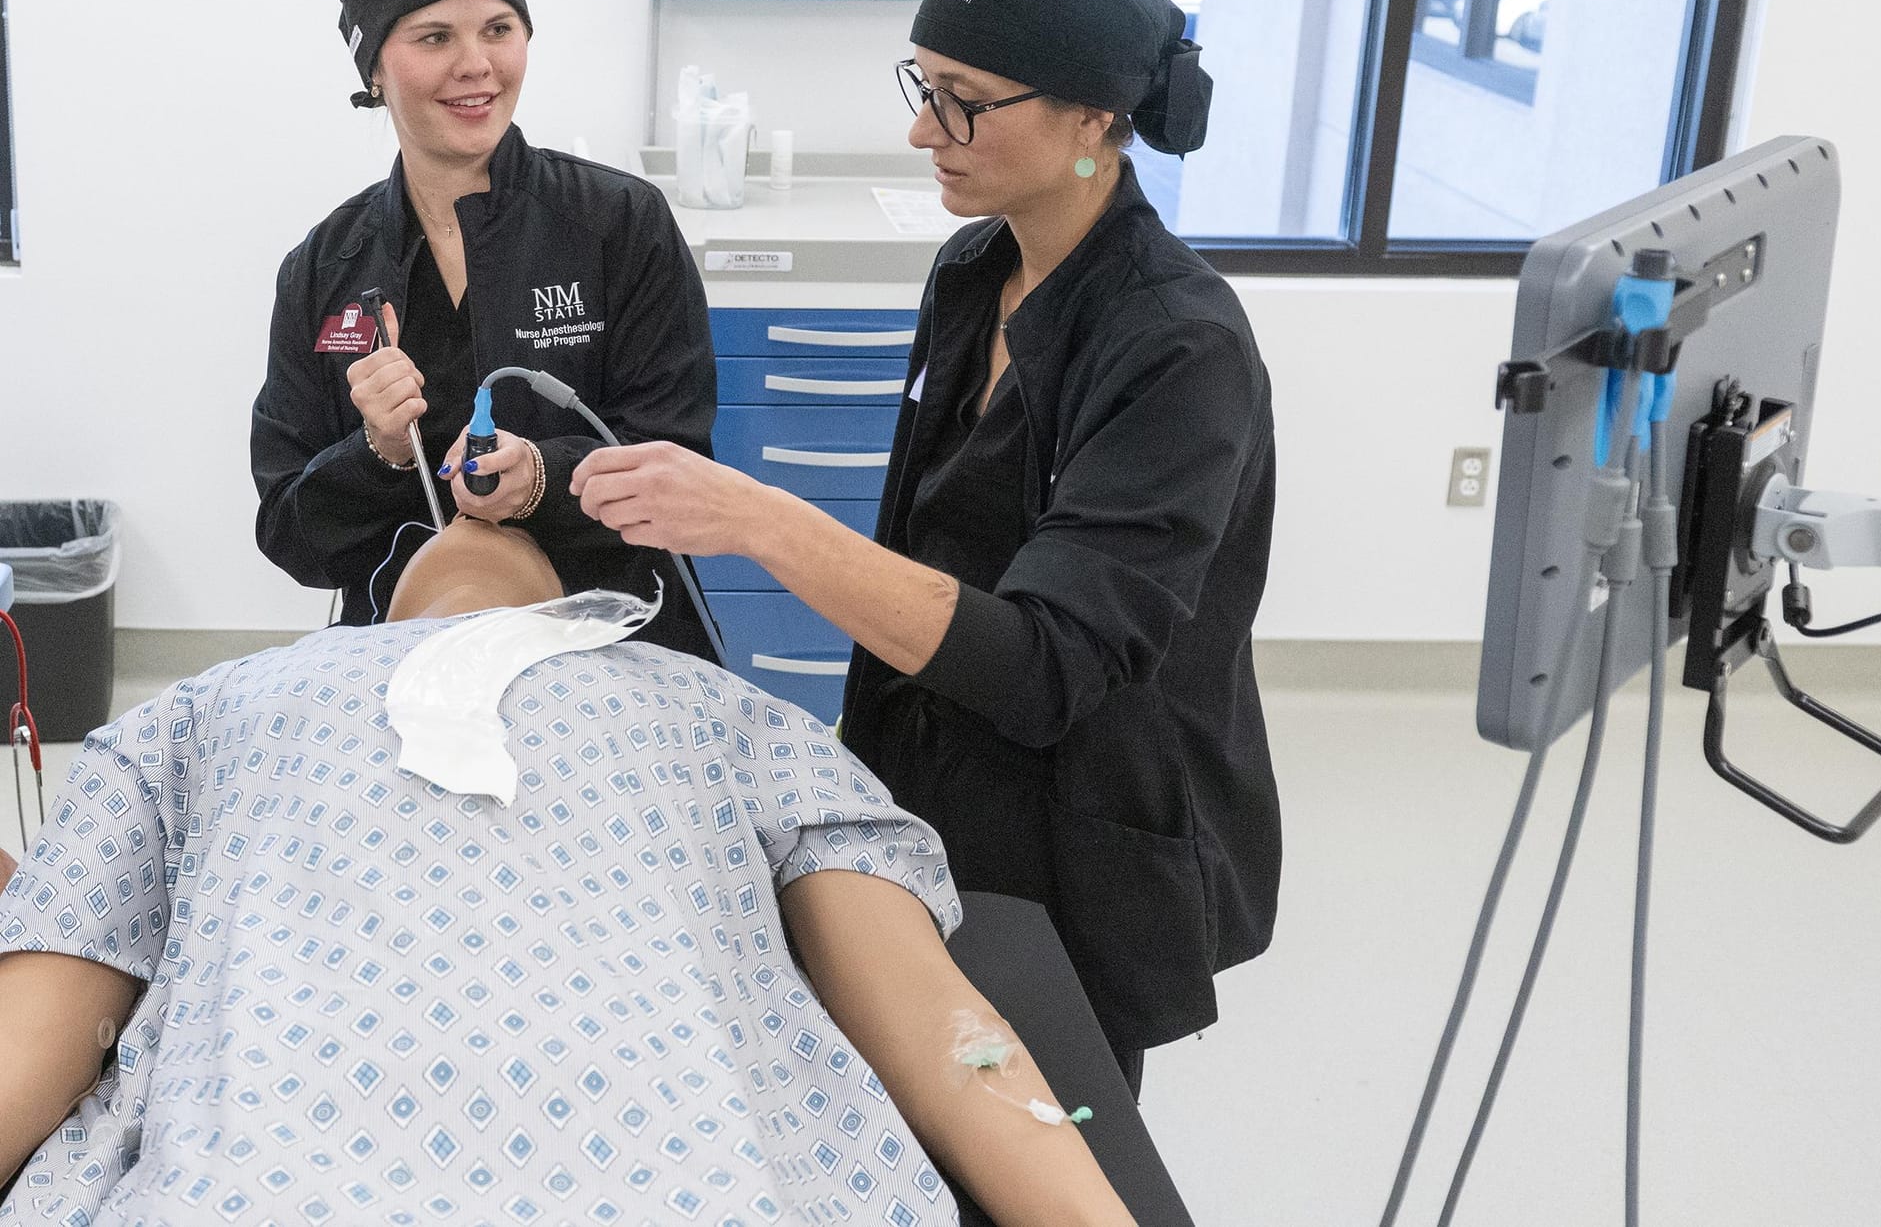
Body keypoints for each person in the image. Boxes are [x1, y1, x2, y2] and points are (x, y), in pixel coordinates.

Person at [570, 0, 1281, 1092]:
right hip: (936, 798)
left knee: (1042, 1129)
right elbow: (928, 553)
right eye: (924, 81)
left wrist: (758, 518)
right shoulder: (974, 268)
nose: (920, 128)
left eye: (962, 97)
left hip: (1077, 845)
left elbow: (1048, 664)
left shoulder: (1175, 348)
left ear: (1091, 116)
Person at [0, 517, 1134, 1226]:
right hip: (692, 1179)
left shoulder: (211, 701)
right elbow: (945, 1027)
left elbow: (41, 1029)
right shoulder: (722, 705)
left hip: (264, 1179)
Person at [251, 0, 717, 655]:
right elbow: (291, 536)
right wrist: (378, 453)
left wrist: (543, 476)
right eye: (434, 37)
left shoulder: (620, 227)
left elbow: (683, 470)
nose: (477, 66)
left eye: (498, 29)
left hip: (614, 657)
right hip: (404, 657)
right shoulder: (323, 269)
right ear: (374, 68)